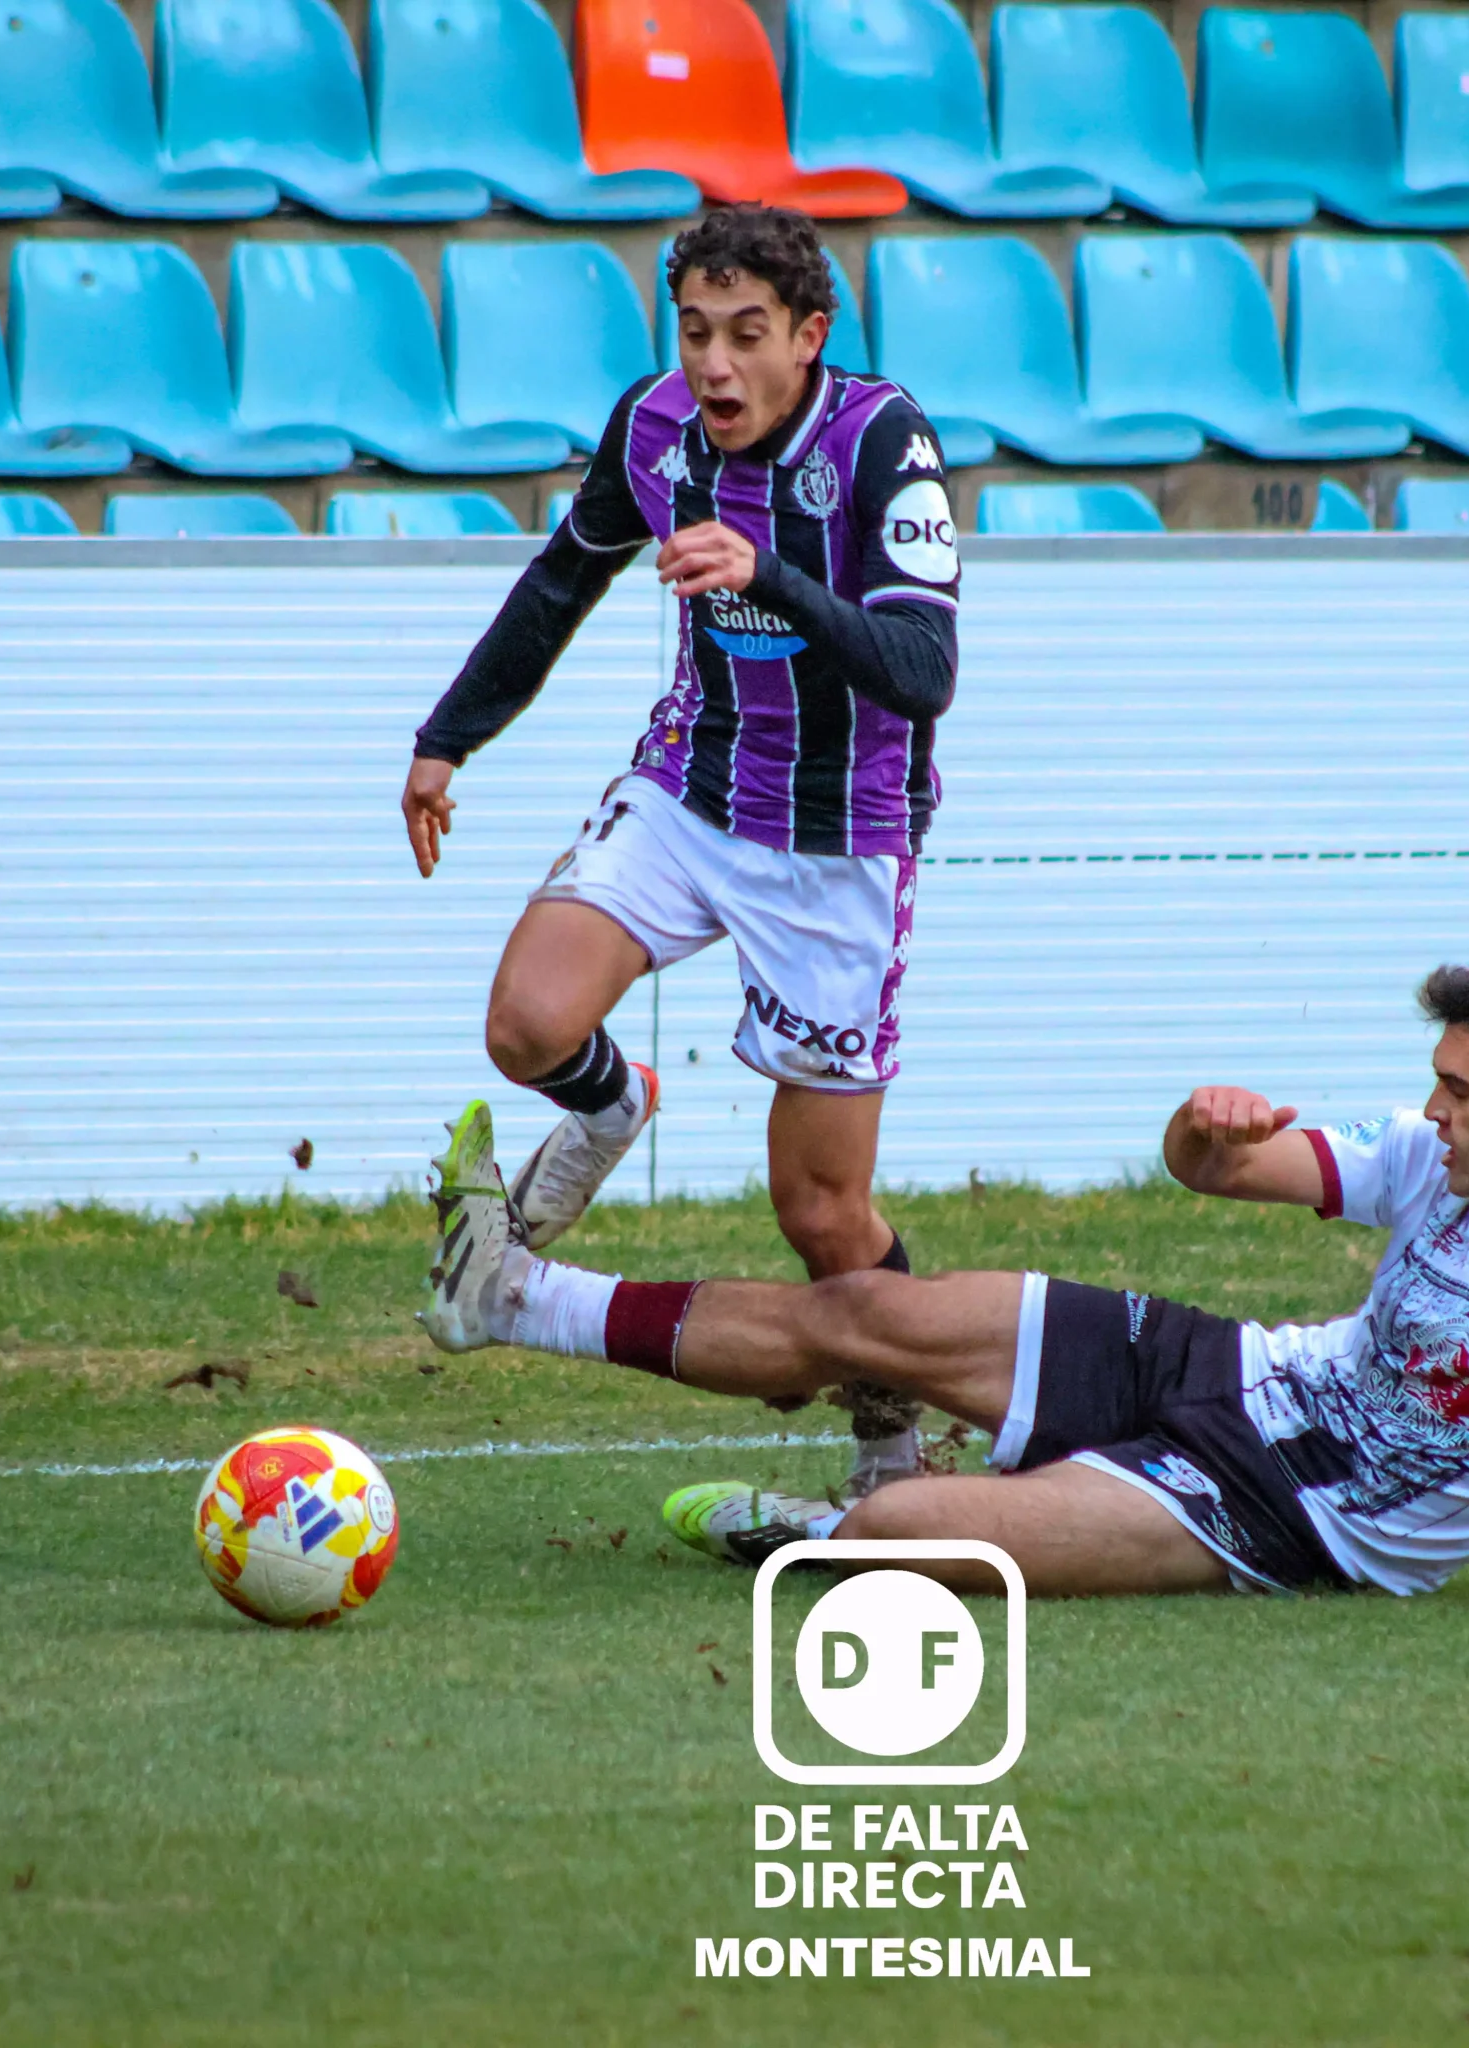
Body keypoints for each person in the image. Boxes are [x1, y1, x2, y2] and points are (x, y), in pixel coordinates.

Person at [427, 956, 1469, 1615]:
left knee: (904, 1541)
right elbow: (1222, 1175)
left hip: (1293, 1522)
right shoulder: (1435, 1162)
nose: (1431, 1110)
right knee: (874, 1321)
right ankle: (512, 1301)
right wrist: (1206, 1137)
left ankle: (820, 1533)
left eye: (1460, 1090)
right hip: (1235, 1365)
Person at [402, 204, 963, 1496]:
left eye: (747, 336)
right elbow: (562, 580)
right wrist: (448, 739)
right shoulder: (654, 427)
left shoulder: (884, 440)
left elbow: (924, 671)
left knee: (822, 1215)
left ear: (809, 338)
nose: (714, 365)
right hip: (690, 793)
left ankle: (892, 1453)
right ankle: (612, 1106)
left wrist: (767, 575)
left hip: (839, 843)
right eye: (696, 331)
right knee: (525, 1026)